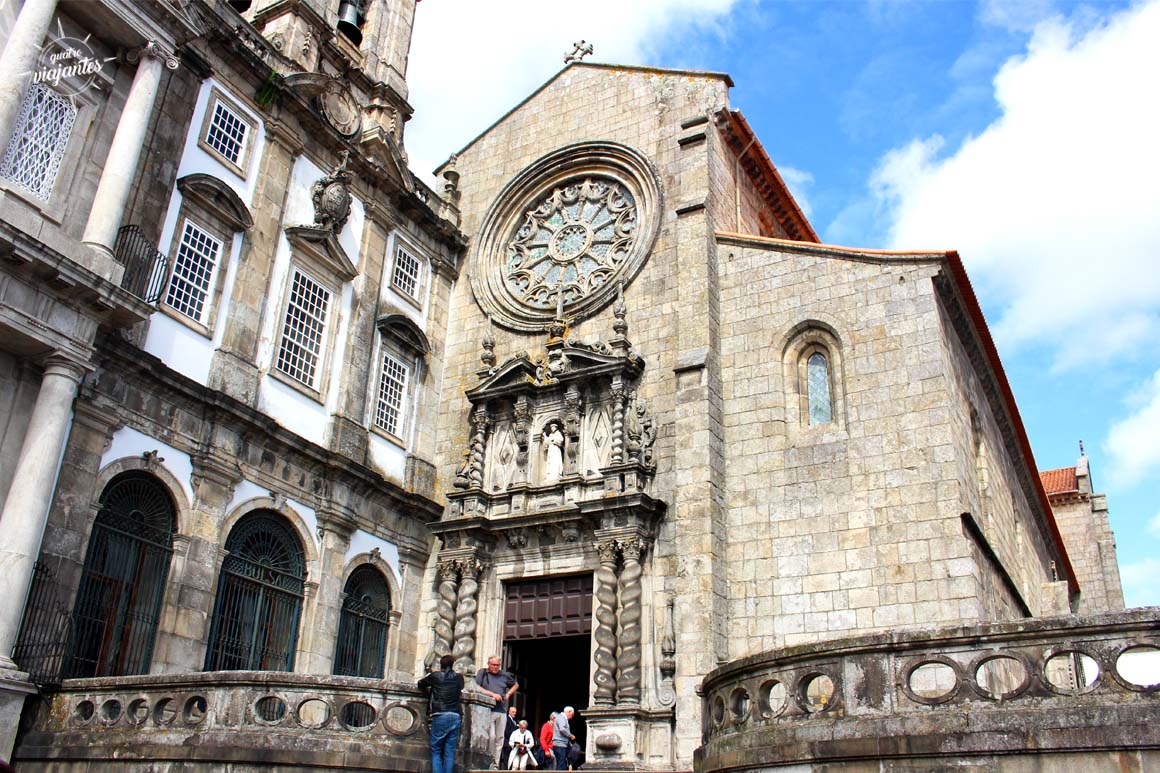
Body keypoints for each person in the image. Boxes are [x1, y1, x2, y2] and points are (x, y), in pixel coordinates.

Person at [417, 654, 464, 773]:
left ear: (440, 665)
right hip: (455, 715)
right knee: (449, 752)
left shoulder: (435, 676)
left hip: (440, 714)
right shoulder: (459, 677)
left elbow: (420, 684)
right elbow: (461, 687)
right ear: (452, 665)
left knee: (436, 750)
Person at [475, 655, 519, 769]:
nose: (495, 667)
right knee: (491, 736)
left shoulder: (504, 675)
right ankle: (488, 760)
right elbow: (476, 687)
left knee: (500, 738)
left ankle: (495, 763)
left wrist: (509, 694)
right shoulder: (482, 673)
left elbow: (516, 685)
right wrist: (492, 694)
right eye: (493, 665)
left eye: (498, 665)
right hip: (488, 709)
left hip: (502, 710)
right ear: (488, 664)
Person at [551, 706, 576, 771]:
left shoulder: (562, 718)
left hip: (562, 744)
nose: (572, 717)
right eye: (572, 715)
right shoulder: (561, 718)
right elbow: (562, 729)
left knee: (563, 763)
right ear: (569, 712)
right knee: (561, 765)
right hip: (560, 744)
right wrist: (570, 735)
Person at [499, 705, 518, 769]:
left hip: (514, 743)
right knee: (506, 760)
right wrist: (515, 727)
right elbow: (506, 732)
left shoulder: (515, 720)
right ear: (509, 712)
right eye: (513, 712)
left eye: (515, 712)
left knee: (512, 760)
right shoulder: (507, 719)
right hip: (507, 743)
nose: (514, 713)